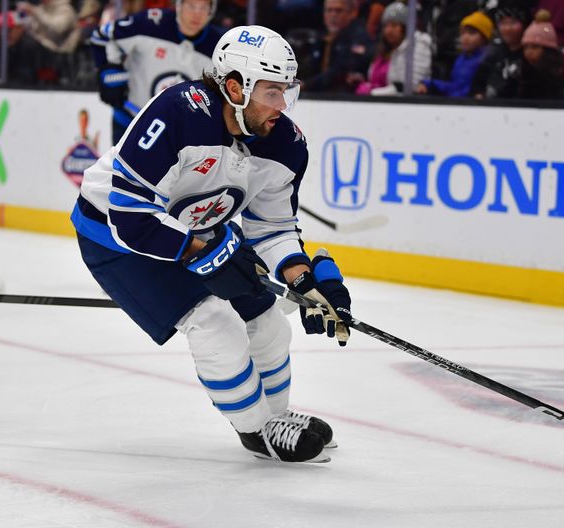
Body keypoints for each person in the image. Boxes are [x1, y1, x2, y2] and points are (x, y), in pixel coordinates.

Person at [71, 25, 353, 463]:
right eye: (271, 92)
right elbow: (129, 215)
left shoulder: (286, 144)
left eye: (286, 92)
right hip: (116, 239)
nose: (282, 106)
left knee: (269, 323)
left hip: (197, 231)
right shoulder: (178, 113)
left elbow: (273, 228)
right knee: (215, 323)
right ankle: (256, 430)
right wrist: (205, 251)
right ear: (235, 87)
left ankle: (278, 419)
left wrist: (304, 281)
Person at [91, 0, 224, 145]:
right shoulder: (150, 24)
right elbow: (102, 36)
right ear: (179, 5)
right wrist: (109, 69)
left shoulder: (219, 48)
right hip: (130, 120)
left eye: (203, 8)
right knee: (117, 168)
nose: (196, 14)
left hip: (177, 134)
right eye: (191, 6)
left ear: (212, 10)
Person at [354, 1, 432, 96]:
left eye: (394, 25)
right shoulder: (384, 50)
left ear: (405, 27)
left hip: (408, 104)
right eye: (386, 26)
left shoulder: (418, 44)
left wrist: (372, 93)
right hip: (383, 101)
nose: (389, 30)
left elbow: (410, 84)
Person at [415, 10, 493, 98]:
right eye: (463, 33)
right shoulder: (461, 59)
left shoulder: (487, 60)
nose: (465, 37)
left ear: (484, 38)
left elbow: (466, 90)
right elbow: (455, 86)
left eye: (472, 33)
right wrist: (429, 84)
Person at [301, 0, 374, 92]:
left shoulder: (358, 37)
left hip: (346, 97)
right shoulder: (321, 37)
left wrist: (307, 84)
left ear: (352, 13)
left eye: (338, 10)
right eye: (329, 10)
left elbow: (340, 70)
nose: (333, 15)